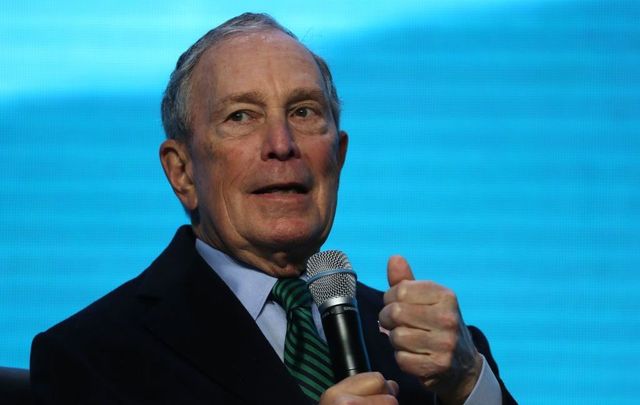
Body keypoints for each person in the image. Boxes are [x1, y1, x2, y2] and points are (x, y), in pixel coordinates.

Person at [30, 13, 516, 404]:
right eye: (241, 116)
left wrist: (468, 384)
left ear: (339, 157)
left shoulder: (434, 350)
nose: (282, 145)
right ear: (182, 172)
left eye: (304, 112)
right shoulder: (92, 358)